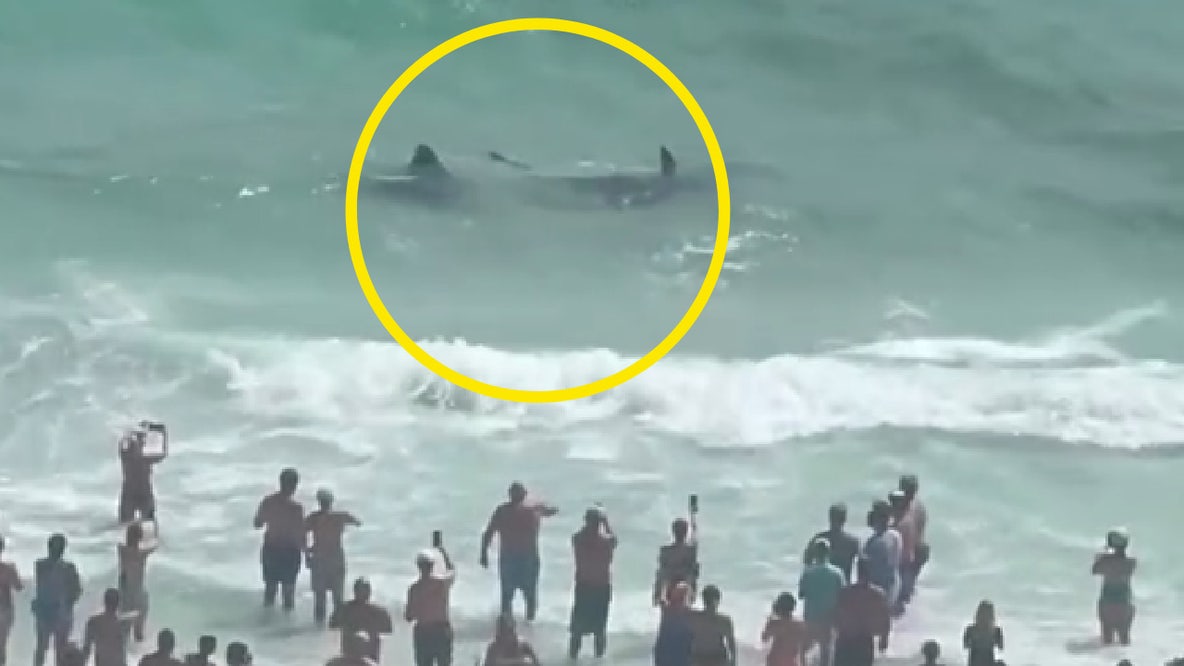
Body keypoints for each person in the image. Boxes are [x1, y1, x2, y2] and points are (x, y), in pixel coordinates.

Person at [479, 482, 558, 621]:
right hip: (522, 558)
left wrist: (483, 554)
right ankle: (523, 624)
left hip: (518, 558)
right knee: (522, 595)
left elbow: (488, 533)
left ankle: (515, 625)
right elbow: (552, 511)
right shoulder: (531, 509)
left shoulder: (506, 511)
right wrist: (483, 554)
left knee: (515, 595)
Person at [305, 488, 362, 625]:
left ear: (319, 502)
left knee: (320, 598)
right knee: (338, 597)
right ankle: (339, 628)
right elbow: (357, 522)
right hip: (336, 558)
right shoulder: (340, 516)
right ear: (331, 502)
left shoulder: (313, 518)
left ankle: (318, 628)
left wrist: (307, 553)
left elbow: (300, 534)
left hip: (319, 558)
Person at [569, 506, 618, 659]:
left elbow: (579, 535)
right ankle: (595, 659)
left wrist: (597, 519)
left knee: (582, 629)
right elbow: (614, 539)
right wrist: (605, 520)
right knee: (595, 629)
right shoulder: (606, 541)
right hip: (596, 588)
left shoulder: (578, 539)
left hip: (588, 587)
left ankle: (575, 659)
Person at [253, 467, 305, 611]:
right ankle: (285, 629)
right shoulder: (296, 508)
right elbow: (300, 534)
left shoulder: (268, 502)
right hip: (290, 552)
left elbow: (257, 524)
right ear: (295, 485)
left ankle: (267, 625)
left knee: (270, 590)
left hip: (271, 550)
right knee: (288, 594)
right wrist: (307, 553)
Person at [32, 533, 83, 666]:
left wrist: (67, 604)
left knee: (57, 648)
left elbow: (76, 590)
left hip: (59, 611)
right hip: (47, 611)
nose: (56, 551)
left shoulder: (63, 567)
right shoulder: (42, 565)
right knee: (43, 648)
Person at [405, 534, 456, 666]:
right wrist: (442, 550)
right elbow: (452, 570)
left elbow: (409, 616)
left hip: (423, 631)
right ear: (432, 565)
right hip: (441, 629)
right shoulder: (441, 583)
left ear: (418, 566)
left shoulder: (414, 589)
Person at [833, 557, 891, 666]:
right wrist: (884, 639)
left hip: (845, 639)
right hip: (864, 641)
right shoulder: (877, 594)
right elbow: (885, 618)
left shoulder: (846, 592)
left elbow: (836, 615)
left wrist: (835, 632)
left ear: (857, 571)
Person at [799, 539, 845, 666]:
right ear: (829, 553)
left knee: (803, 651)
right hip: (829, 617)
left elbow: (801, 594)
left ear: (814, 553)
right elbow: (843, 596)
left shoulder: (808, 572)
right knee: (826, 652)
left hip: (811, 616)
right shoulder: (837, 572)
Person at [331, 578, 393, 662]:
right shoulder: (378, 611)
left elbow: (332, 624)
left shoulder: (344, 609)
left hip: (362, 651)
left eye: (364, 591)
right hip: (356, 651)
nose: (362, 594)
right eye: (360, 591)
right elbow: (388, 629)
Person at [118, 422, 168, 526]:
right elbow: (123, 444)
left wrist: (162, 432)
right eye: (139, 439)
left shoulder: (146, 456)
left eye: (142, 439)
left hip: (144, 492)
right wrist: (132, 433)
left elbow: (163, 454)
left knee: (149, 527)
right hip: (130, 493)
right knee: (125, 526)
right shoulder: (127, 454)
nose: (142, 441)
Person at [1092, 529, 1136, 646]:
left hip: (1107, 600)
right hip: (1124, 602)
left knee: (1107, 639)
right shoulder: (1131, 562)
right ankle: (1127, 660)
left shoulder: (1105, 560)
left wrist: (1103, 552)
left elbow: (1095, 570)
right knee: (1124, 639)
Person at [655, 496, 701, 606]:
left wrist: (693, 514)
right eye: (679, 530)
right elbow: (661, 573)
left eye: (682, 530)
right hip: (670, 585)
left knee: (687, 579)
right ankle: (661, 598)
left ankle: (666, 598)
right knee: (664, 578)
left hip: (685, 586)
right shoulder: (666, 551)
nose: (680, 533)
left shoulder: (689, 549)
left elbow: (694, 533)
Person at [118, 522, 157, 643]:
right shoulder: (141, 553)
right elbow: (156, 545)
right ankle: (136, 656)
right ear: (140, 537)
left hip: (125, 594)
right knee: (138, 633)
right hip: (138, 593)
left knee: (124, 631)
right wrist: (155, 527)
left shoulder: (122, 550)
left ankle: (126, 656)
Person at [803, 504, 860, 583]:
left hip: (822, 585)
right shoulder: (852, 542)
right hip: (844, 589)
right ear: (844, 519)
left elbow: (807, 562)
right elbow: (862, 566)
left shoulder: (819, 539)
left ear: (829, 518)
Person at [861, 501, 902, 611]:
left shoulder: (875, 542)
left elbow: (868, 569)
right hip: (893, 583)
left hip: (879, 590)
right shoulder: (895, 535)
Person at [81, 588, 134, 666]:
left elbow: (86, 650)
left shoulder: (93, 622)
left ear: (104, 601)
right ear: (119, 603)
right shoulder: (124, 623)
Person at [897, 475, 928, 604]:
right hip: (915, 550)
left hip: (911, 553)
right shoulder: (919, 507)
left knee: (903, 594)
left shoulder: (905, 508)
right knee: (906, 592)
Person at [689, 585, 736, 666]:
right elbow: (731, 643)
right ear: (717, 600)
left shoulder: (693, 617)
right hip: (715, 658)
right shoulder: (724, 621)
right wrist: (733, 660)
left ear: (703, 600)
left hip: (700, 658)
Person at [887, 491, 917, 615]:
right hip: (907, 561)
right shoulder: (907, 520)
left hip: (902, 564)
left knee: (897, 599)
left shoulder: (900, 525)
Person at [654, 579, 694, 666]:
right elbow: (661, 596)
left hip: (679, 648)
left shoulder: (688, 612)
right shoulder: (667, 609)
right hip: (668, 648)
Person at [761, 593, 805, 666]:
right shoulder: (799, 625)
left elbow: (764, 638)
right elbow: (802, 649)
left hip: (774, 661)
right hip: (791, 661)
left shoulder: (775, 623)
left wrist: (769, 620)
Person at [0, 535, 23, 666]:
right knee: (1, 644)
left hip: (5, 610)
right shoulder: (8, 568)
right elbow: (19, 586)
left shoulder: (8, 568)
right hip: (5, 610)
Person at [961, 601, 1002, 666]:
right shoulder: (970, 629)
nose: (984, 617)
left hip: (984, 662)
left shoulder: (971, 629)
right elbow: (965, 645)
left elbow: (1000, 647)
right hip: (978, 663)